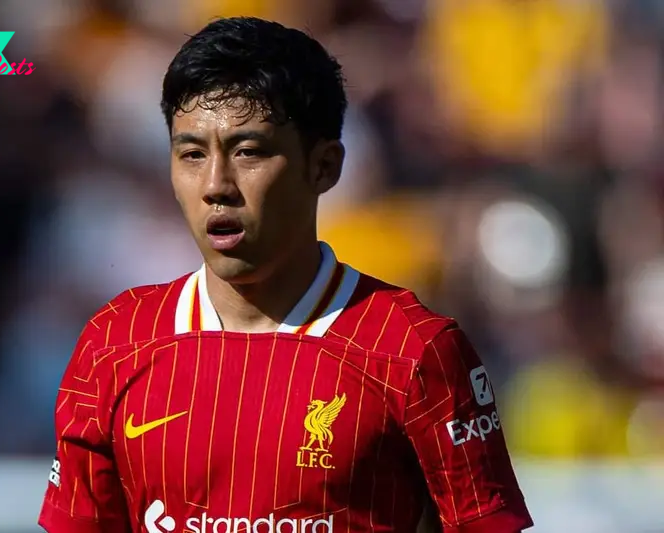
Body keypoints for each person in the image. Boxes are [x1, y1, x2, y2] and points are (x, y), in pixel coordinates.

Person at [38, 17, 533, 533]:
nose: (215, 185)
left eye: (248, 152)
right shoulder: (114, 344)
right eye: (191, 154)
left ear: (324, 166)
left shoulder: (415, 350)